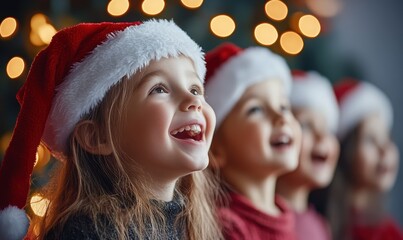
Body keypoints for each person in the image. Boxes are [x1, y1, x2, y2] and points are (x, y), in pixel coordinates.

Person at [0, 19, 222, 240]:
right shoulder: (87, 233)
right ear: (97, 137)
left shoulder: (184, 222)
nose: (194, 100)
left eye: (195, 88)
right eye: (159, 89)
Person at [205, 42, 301, 240]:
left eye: (284, 106)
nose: (281, 117)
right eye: (256, 109)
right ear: (215, 150)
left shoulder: (284, 216)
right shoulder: (226, 226)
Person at [328, 78, 402, 240]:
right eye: (370, 139)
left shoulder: (390, 233)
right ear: (345, 149)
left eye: (387, 138)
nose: (384, 150)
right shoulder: (322, 225)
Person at [276, 70, 340, 240]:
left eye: (327, 128)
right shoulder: (267, 220)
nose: (322, 136)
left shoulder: (321, 224)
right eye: (306, 126)